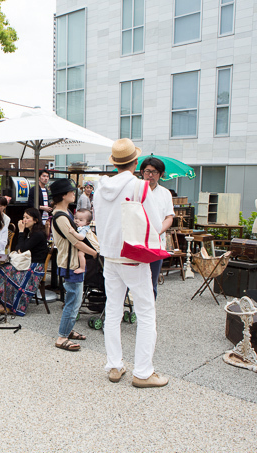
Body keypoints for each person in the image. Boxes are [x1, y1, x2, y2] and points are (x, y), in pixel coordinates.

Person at [93, 138, 168, 388]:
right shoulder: (140, 187)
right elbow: (156, 225)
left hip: (110, 255)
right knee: (146, 312)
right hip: (133, 256)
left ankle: (115, 365)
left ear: (114, 163)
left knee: (113, 310)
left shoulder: (100, 188)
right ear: (136, 163)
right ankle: (143, 372)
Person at [50, 179, 97, 352]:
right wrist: (95, 253)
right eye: (71, 191)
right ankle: (62, 336)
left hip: (72, 262)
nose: (73, 193)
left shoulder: (66, 213)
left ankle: (67, 330)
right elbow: (75, 242)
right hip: (71, 263)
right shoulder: (61, 216)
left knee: (75, 299)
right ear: (63, 195)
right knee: (73, 301)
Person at [0, 208, 48, 316]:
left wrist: (21, 231)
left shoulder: (38, 234)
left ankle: (7, 305)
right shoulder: (31, 232)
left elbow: (21, 249)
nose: (24, 220)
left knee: (6, 273)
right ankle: (2, 302)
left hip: (35, 268)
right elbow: (18, 247)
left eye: (27, 218)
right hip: (27, 264)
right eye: (23, 217)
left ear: (35, 220)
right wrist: (22, 233)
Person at [140, 156, 174, 299]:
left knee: (152, 281)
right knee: (132, 280)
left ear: (160, 174)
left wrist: (157, 231)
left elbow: (169, 217)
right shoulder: (135, 189)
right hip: (137, 240)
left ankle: (148, 316)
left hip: (157, 242)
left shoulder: (165, 193)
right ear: (142, 172)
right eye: (147, 171)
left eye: (155, 172)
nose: (150, 175)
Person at [69, 208, 93, 275]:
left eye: (81, 220)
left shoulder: (84, 228)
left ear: (87, 223)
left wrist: (73, 232)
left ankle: (82, 268)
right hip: (84, 244)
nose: (77, 221)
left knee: (80, 254)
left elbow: (81, 237)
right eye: (75, 218)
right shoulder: (80, 227)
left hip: (87, 245)